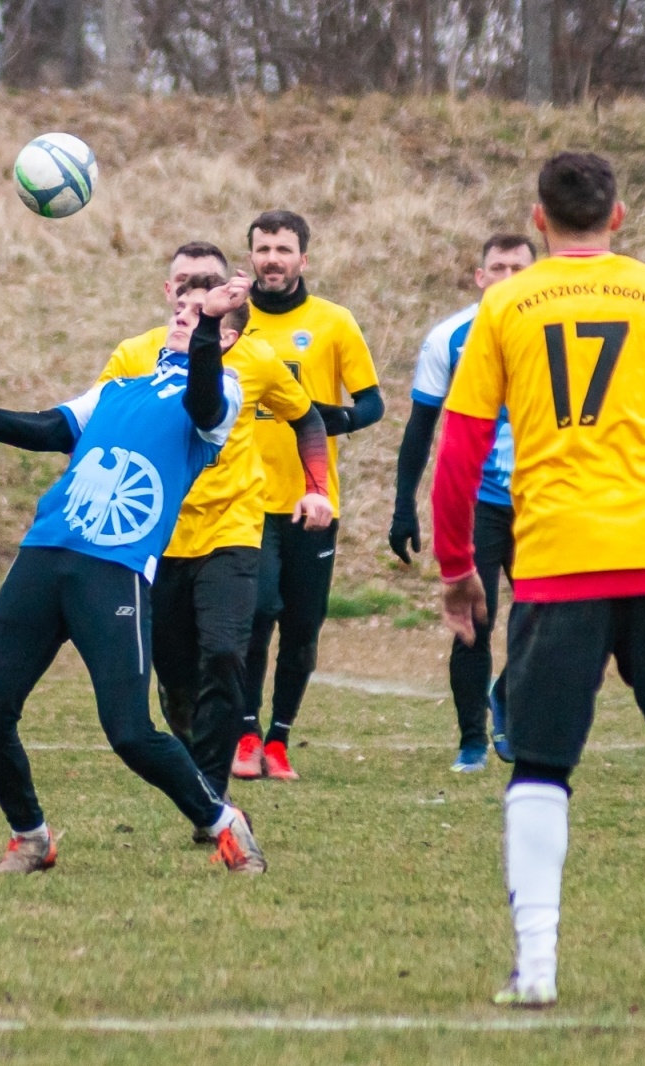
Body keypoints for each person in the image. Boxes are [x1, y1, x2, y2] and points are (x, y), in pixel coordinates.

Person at [431, 153, 645, 1008]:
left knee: (542, 769)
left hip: (559, 564)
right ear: (618, 216)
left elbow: (461, 450)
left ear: (539, 219)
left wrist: (457, 568)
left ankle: (539, 968)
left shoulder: (505, 302)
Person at [0, 273, 267, 874]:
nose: (182, 317)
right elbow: (46, 428)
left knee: (129, 732)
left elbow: (201, 401)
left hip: (114, 570)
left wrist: (206, 328)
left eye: (198, 315)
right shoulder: (119, 389)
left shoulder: (222, 392)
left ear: (225, 338)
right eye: (180, 309)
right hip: (45, 554)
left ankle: (222, 819)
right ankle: (31, 838)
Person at [95, 241, 332, 812]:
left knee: (226, 652)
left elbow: (308, 419)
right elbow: (100, 422)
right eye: (184, 286)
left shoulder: (255, 358)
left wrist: (317, 490)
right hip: (159, 535)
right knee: (175, 682)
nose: (192, 297)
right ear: (171, 295)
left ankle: (211, 796)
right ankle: (194, 763)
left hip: (233, 528)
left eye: (207, 288)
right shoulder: (135, 354)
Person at [236, 211, 384, 780]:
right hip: (246, 497)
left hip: (313, 500)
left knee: (302, 625)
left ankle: (279, 740)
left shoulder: (334, 322)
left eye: (283, 249)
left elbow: (372, 403)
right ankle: (245, 735)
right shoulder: (232, 321)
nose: (272, 258)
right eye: (263, 248)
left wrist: (321, 420)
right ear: (250, 255)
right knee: (258, 611)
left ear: (304, 259)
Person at [390, 234, 536, 773]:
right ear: (479, 277)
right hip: (479, 499)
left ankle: (506, 694)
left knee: (558, 618)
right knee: (476, 617)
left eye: (518, 267)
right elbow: (421, 427)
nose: (506, 276)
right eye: (496, 267)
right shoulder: (449, 338)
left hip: (547, 495)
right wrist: (404, 503)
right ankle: (472, 739)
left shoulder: (556, 329)